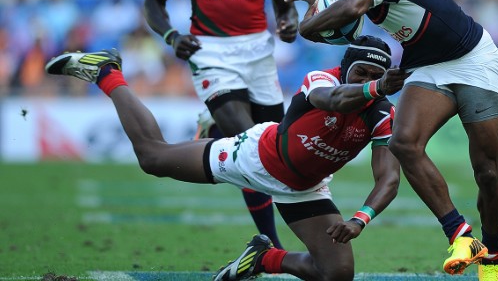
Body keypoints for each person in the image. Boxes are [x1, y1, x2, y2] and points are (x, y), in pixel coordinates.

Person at [44, 35, 410, 281]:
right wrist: (375, 86)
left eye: (377, 75)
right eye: (361, 71)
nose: (368, 79)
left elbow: (389, 178)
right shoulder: (322, 79)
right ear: (345, 68)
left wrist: (360, 220)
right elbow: (332, 102)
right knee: (152, 158)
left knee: (337, 273)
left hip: (304, 188)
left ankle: (262, 259)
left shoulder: (381, 114)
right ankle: (106, 71)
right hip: (255, 158)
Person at [286, 0, 498, 280]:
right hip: (425, 65)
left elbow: (354, 6)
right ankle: (461, 236)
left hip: (473, 60)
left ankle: (493, 262)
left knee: (487, 171)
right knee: (404, 143)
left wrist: (306, 28)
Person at [143, 0, 300, 249]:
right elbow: (153, 3)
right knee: (252, 149)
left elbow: (285, 7)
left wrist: (288, 23)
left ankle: (213, 129)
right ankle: (270, 246)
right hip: (210, 52)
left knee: (276, 147)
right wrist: (172, 37)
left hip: (259, 53)